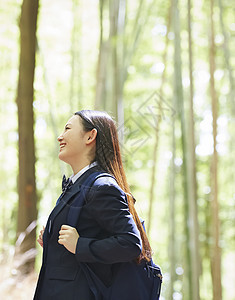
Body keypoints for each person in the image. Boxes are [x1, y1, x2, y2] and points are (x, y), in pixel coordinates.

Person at [33, 110, 152, 300]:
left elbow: (130, 243)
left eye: (68, 128)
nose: (60, 137)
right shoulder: (77, 184)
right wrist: (50, 238)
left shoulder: (101, 186)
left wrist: (80, 245)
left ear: (90, 136)